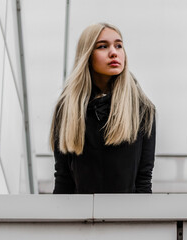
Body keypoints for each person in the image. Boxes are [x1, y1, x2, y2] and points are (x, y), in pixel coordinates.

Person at [50, 23, 156, 194]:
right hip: (79, 216)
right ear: (87, 55)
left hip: (127, 216)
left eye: (119, 45)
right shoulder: (67, 109)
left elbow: (143, 181)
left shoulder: (142, 109)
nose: (114, 52)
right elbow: (63, 180)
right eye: (103, 46)